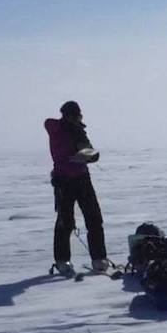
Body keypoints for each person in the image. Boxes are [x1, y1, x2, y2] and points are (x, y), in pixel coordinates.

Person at [45, 101, 108, 275]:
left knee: (92, 217)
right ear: (71, 115)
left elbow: (90, 152)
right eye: (78, 115)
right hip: (66, 179)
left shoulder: (75, 131)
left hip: (79, 177)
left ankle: (97, 258)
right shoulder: (62, 129)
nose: (80, 118)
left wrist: (87, 155)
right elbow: (49, 123)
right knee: (67, 221)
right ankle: (64, 260)